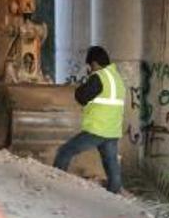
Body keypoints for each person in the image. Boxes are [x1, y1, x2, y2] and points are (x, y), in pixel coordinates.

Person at [54, 45, 126, 193]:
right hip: (112, 130)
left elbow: (81, 97)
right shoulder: (117, 78)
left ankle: (55, 184)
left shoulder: (98, 77)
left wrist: (87, 78)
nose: (90, 69)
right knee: (111, 165)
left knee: (65, 151)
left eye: (90, 66)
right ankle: (114, 193)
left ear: (93, 64)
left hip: (97, 129)